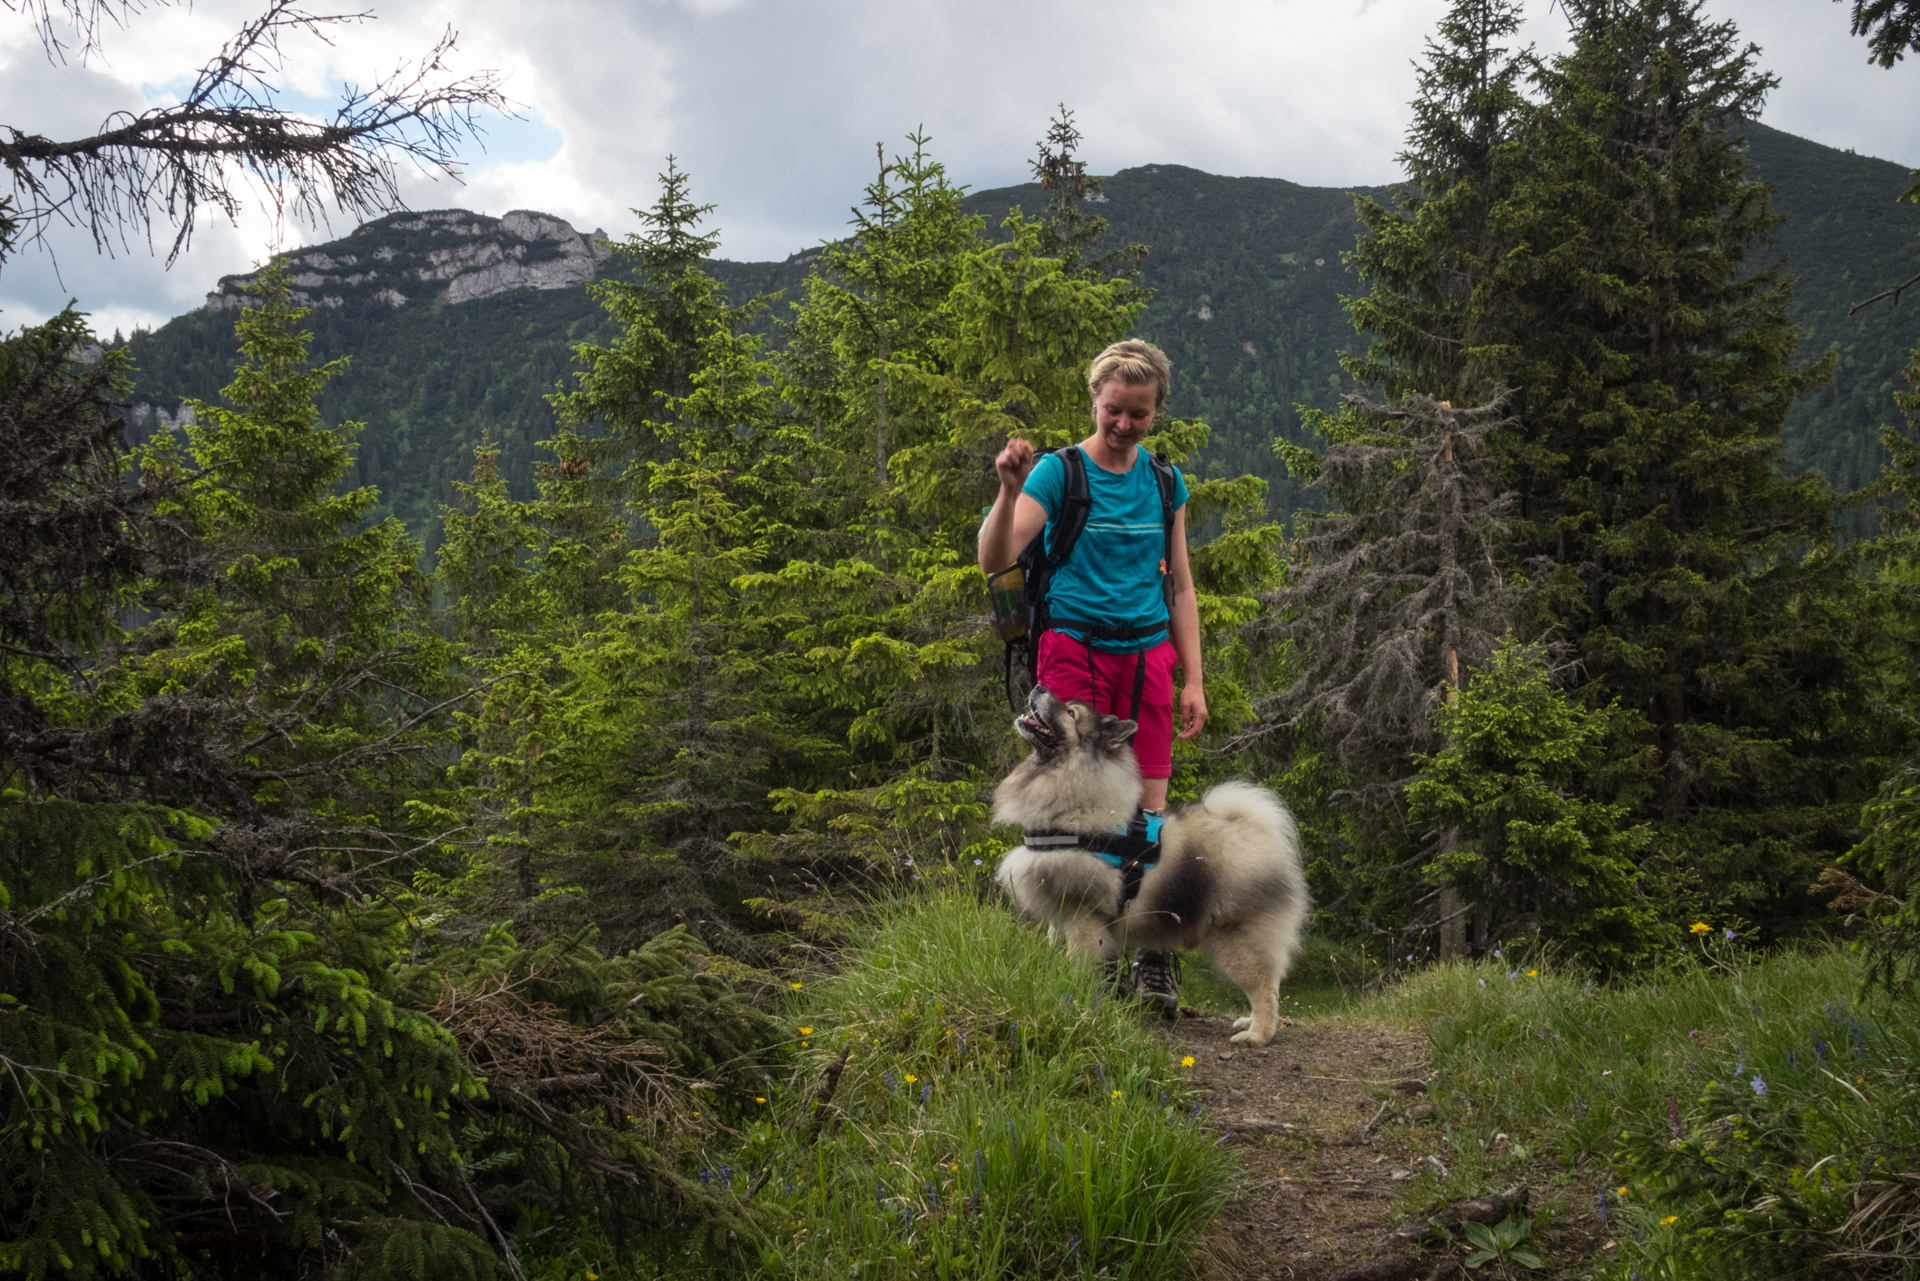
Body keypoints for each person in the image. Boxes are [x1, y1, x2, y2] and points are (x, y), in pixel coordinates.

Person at [976, 338, 1207, 1016]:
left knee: (1150, 812)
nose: (1124, 425)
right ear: (1095, 401)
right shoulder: (1058, 473)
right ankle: (1083, 952)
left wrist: (1193, 678)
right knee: (1073, 808)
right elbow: (995, 557)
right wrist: (1009, 488)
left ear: (1156, 411)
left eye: (1139, 414)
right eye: (1113, 410)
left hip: (1146, 656)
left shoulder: (1165, 483)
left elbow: (1183, 588)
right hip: (1071, 651)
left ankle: (1153, 957)